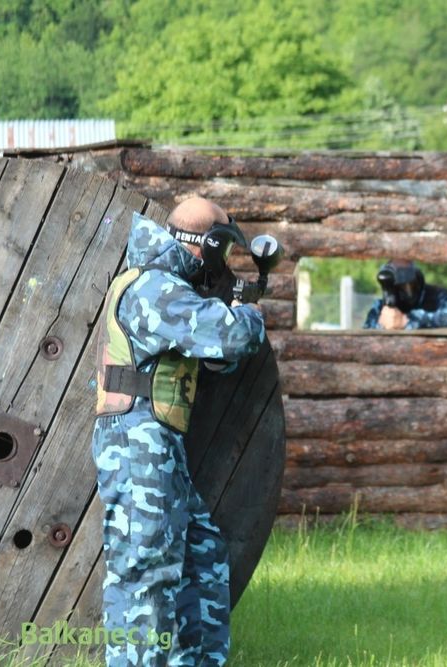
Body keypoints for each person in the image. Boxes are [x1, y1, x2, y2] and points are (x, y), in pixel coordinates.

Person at [91, 197, 265, 666]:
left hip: (157, 441)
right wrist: (247, 311)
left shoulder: (169, 288)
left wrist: (231, 310)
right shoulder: (153, 288)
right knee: (145, 571)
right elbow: (231, 336)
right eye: (223, 250)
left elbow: (217, 357)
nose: (224, 262)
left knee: (202, 559)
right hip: (136, 440)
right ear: (205, 246)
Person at [363, 259, 447, 330]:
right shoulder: (380, 306)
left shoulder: (440, 297)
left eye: (405, 281)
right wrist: (382, 324)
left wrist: (406, 321)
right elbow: (367, 332)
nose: (402, 289)